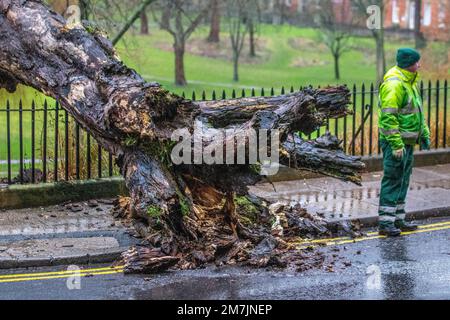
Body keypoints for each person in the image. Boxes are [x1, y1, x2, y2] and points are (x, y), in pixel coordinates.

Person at [377, 48, 431, 237]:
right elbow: (388, 119)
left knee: (403, 180)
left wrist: (423, 133)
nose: (420, 65)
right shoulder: (394, 84)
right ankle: (385, 222)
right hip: (396, 143)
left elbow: (417, 113)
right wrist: (396, 144)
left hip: (407, 142)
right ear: (409, 64)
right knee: (393, 179)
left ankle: (398, 219)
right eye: (417, 62)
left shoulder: (409, 82)